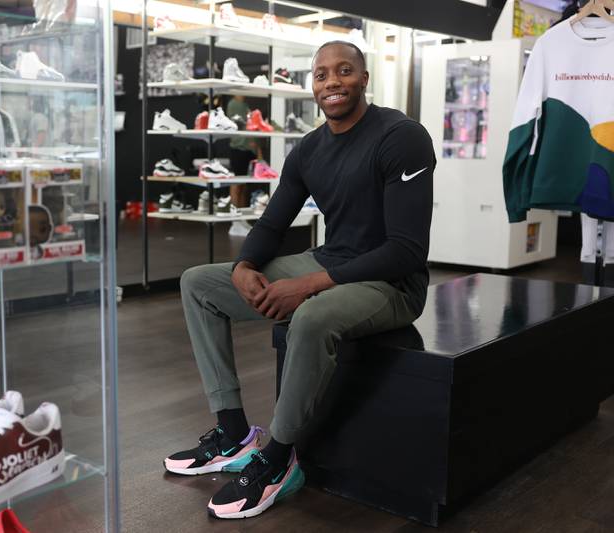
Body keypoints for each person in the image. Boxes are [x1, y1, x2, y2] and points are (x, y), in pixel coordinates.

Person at [164, 40, 436, 519]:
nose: (332, 82)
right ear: (313, 85)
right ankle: (233, 432)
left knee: (309, 317)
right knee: (199, 283)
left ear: (364, 78)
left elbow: (406, 250)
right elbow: (272, 224)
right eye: (321, 75)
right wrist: (246, 266)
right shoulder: (309, 150)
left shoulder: (402, 136)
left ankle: (280, 456)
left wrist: (310, 284)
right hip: (330, 261)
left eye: (344, 71)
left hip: (393, 283)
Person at [226, 95, 261, 236]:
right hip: (238, 149)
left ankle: (241, 219)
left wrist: (257, 149)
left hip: (248, 150)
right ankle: (235, 221)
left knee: (244, 186)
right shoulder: (233, 104)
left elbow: (250, 127)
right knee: (237, 183)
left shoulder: (245, 105)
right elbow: (238, 126)